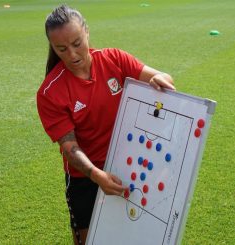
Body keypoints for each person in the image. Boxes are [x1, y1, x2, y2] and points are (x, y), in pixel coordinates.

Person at [36, 4, 175, 245]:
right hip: (84, 177)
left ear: (87, 32)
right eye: (62, 49)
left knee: (135, 233)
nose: (72, 55)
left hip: (129, 165)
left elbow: (162, 78)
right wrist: (95, 174)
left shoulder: (115, 60)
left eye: (77, 43)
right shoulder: (50, 92)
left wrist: (160, 79)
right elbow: (70, 147)